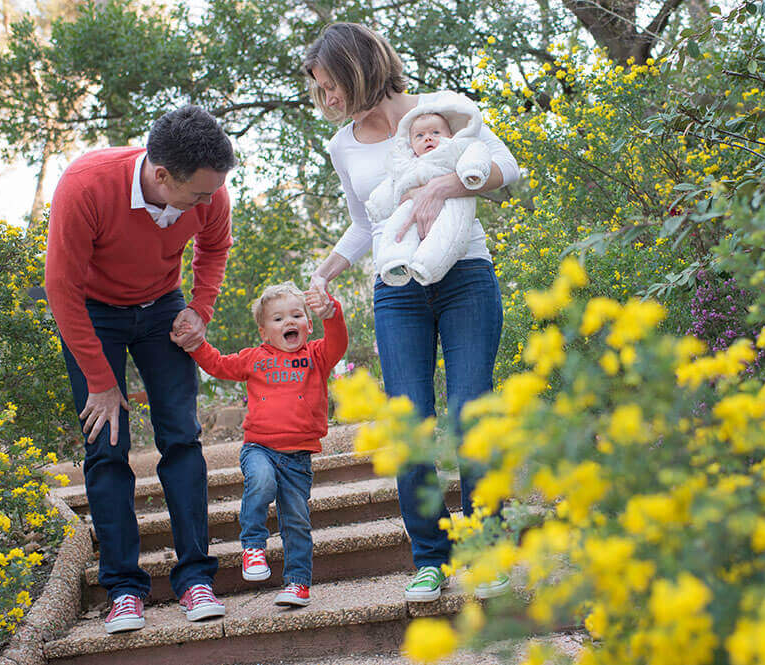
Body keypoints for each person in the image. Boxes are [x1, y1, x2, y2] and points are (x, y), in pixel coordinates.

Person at [302, 22, 520, 602]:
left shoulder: (441, 110)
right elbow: (362, 223)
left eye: (331, 86)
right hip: (396, 288)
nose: (327, 100)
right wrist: (324, 274)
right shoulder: (342, 144)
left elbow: (508, 172)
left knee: (471, 407)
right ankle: (429, 557)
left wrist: (445, 185)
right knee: (409, 421)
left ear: (360, 67)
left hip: (466, 276)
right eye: (319, 91)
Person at [44, 104, 236, 634]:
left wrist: (199, 310)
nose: (208, 200)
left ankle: (196, 578)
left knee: (181, 437)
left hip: (162, 308)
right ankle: (124, 591)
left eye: (212, 192)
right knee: (106, 447)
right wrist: (102, 383)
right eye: (198, 193)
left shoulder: (210, 190)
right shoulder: (86, 185)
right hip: (94, 314)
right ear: (160, 175)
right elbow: (61, 291)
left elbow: (215, 247)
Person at [171, 282, 348, 608]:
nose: (289, 322)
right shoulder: (255, 358)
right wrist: (196, 345)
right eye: (278, 319)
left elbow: (339, 341)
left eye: (297, 315)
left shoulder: (317, 356)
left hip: (298, 456)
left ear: (309, 324)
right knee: (262, 481)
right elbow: (218, 364)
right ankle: (253, 545)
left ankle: (298, 584)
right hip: (260, 448)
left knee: (296, 521)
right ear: (264, 331)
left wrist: (331, 312)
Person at [368, 95, 493, 287]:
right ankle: (395, 261)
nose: (428, 137)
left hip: (453, 202)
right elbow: (391, 184)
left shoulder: (455, 148)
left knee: (448, 232)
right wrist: (377, 205)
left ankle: (428, 266)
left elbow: (477, 151)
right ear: (410, 143)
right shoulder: (406, 162)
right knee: (399, 228)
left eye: (436, 132)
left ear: (450, 135)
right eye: (419, 136)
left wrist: (472, 170)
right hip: (411, 207)